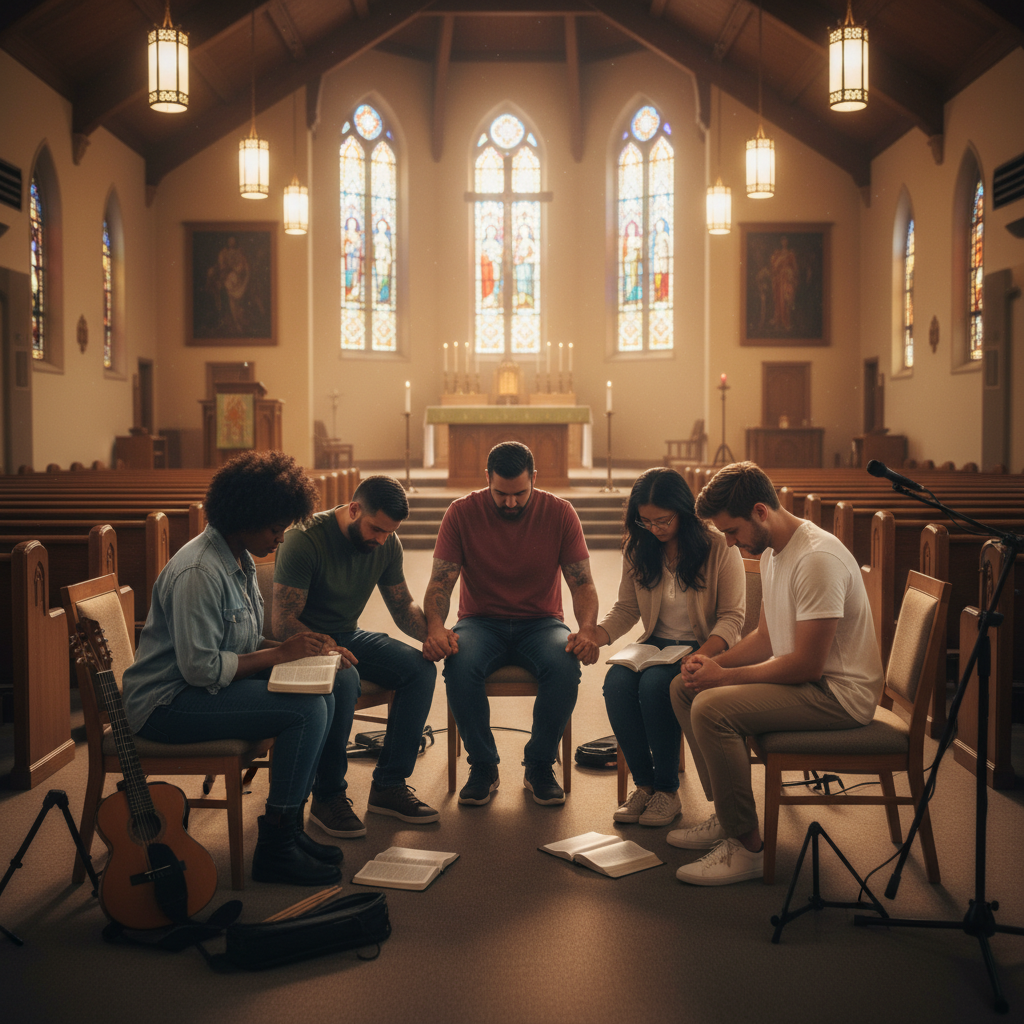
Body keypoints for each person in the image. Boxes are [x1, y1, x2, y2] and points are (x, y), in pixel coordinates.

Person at [122, 451, 356, 887]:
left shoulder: (238, 557)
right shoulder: (199, 571)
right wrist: (280, 655)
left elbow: (242, 644)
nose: (280, 539)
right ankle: (275, 851)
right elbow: (201, 670)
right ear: (244, 517)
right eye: (274, 528)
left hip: (201, 690)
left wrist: (301, 649)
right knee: (304, 711)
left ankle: (289, 828)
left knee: (333, 683)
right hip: (167, 704)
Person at [669, 462, 883, 885]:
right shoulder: (771, 550)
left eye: (732, 531)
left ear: (761, 512)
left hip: (838, 695)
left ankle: (746, 847)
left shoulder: (815, 558)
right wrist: (712, 664)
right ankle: (728, 815)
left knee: (711, 708)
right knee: (684, 688)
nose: (729, 544)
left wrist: (723, 680)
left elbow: (807, 664)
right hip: (808, 683)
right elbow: (766, 638)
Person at [423, 441, 602, 806]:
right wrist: (436, 628)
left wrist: (586, 629)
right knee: (459, 663)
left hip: (541, 622)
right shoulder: (460, 513)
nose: (510, 502)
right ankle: (483, 765)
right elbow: (441, 582)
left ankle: (538, 764)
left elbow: (582, 583)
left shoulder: (561, 513)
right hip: (479, 621)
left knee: (564, 664)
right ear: (486, 479)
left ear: (534, 479)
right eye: (500, 493)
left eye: (520, 493)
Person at [273, 475, 438, 838]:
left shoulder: (386, 542)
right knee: (344, 675)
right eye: (376, 529)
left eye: (388, 532)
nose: (381, 539)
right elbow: (283, 622)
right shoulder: (305, 538)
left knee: (419, 670)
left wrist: (433, 635)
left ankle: (388, 785)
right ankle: (327, 796)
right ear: (353, 509)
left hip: (348, 634)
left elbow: (401, 604)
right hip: (300, 644)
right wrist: (328, 649)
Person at [597, 468, 744, 828]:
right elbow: (627, 609)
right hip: (655, 645)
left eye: (662, 520)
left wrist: (702, 654)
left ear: (683, 510)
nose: (655, 529)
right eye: (645, 522)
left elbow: (731, 619)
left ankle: (667, 791)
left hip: (701, 645)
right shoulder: (639, 548)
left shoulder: (716, 546)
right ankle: (644, 787)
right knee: (615, 684)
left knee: (654, 686)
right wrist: (596, 636)